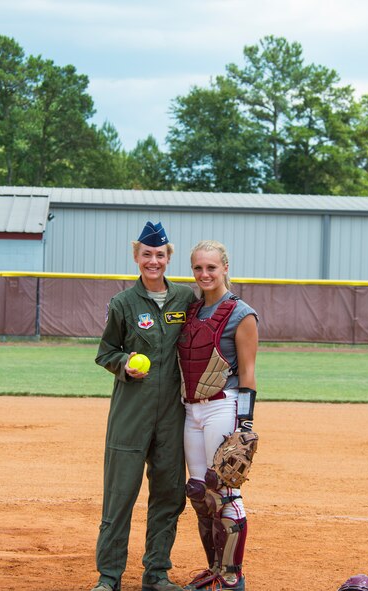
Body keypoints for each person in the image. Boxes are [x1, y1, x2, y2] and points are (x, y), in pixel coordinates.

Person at [91, 221, 197, 591]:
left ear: (168, 258)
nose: (154, 261)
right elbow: (106, 352)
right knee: (120, 494)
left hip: (172, 413)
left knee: (169, 493)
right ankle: (109, 577)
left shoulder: (187, 300)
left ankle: (156, 574)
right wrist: (124, 365)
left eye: (160, 255)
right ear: (137, 256)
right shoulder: (123, 303)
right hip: (131, 412)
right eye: (147, 254)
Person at [177, 241, 259, 591]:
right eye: (198, 268)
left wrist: (245, 425)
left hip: (223, 405)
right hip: (191, 408)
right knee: (199, 492)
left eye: (211, 267)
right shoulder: (192, 312)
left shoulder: (242, 314)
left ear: (225, 267)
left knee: (223, 491)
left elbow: (249, 373)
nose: (205, 274)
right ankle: (214, 567)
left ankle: (231, 575)